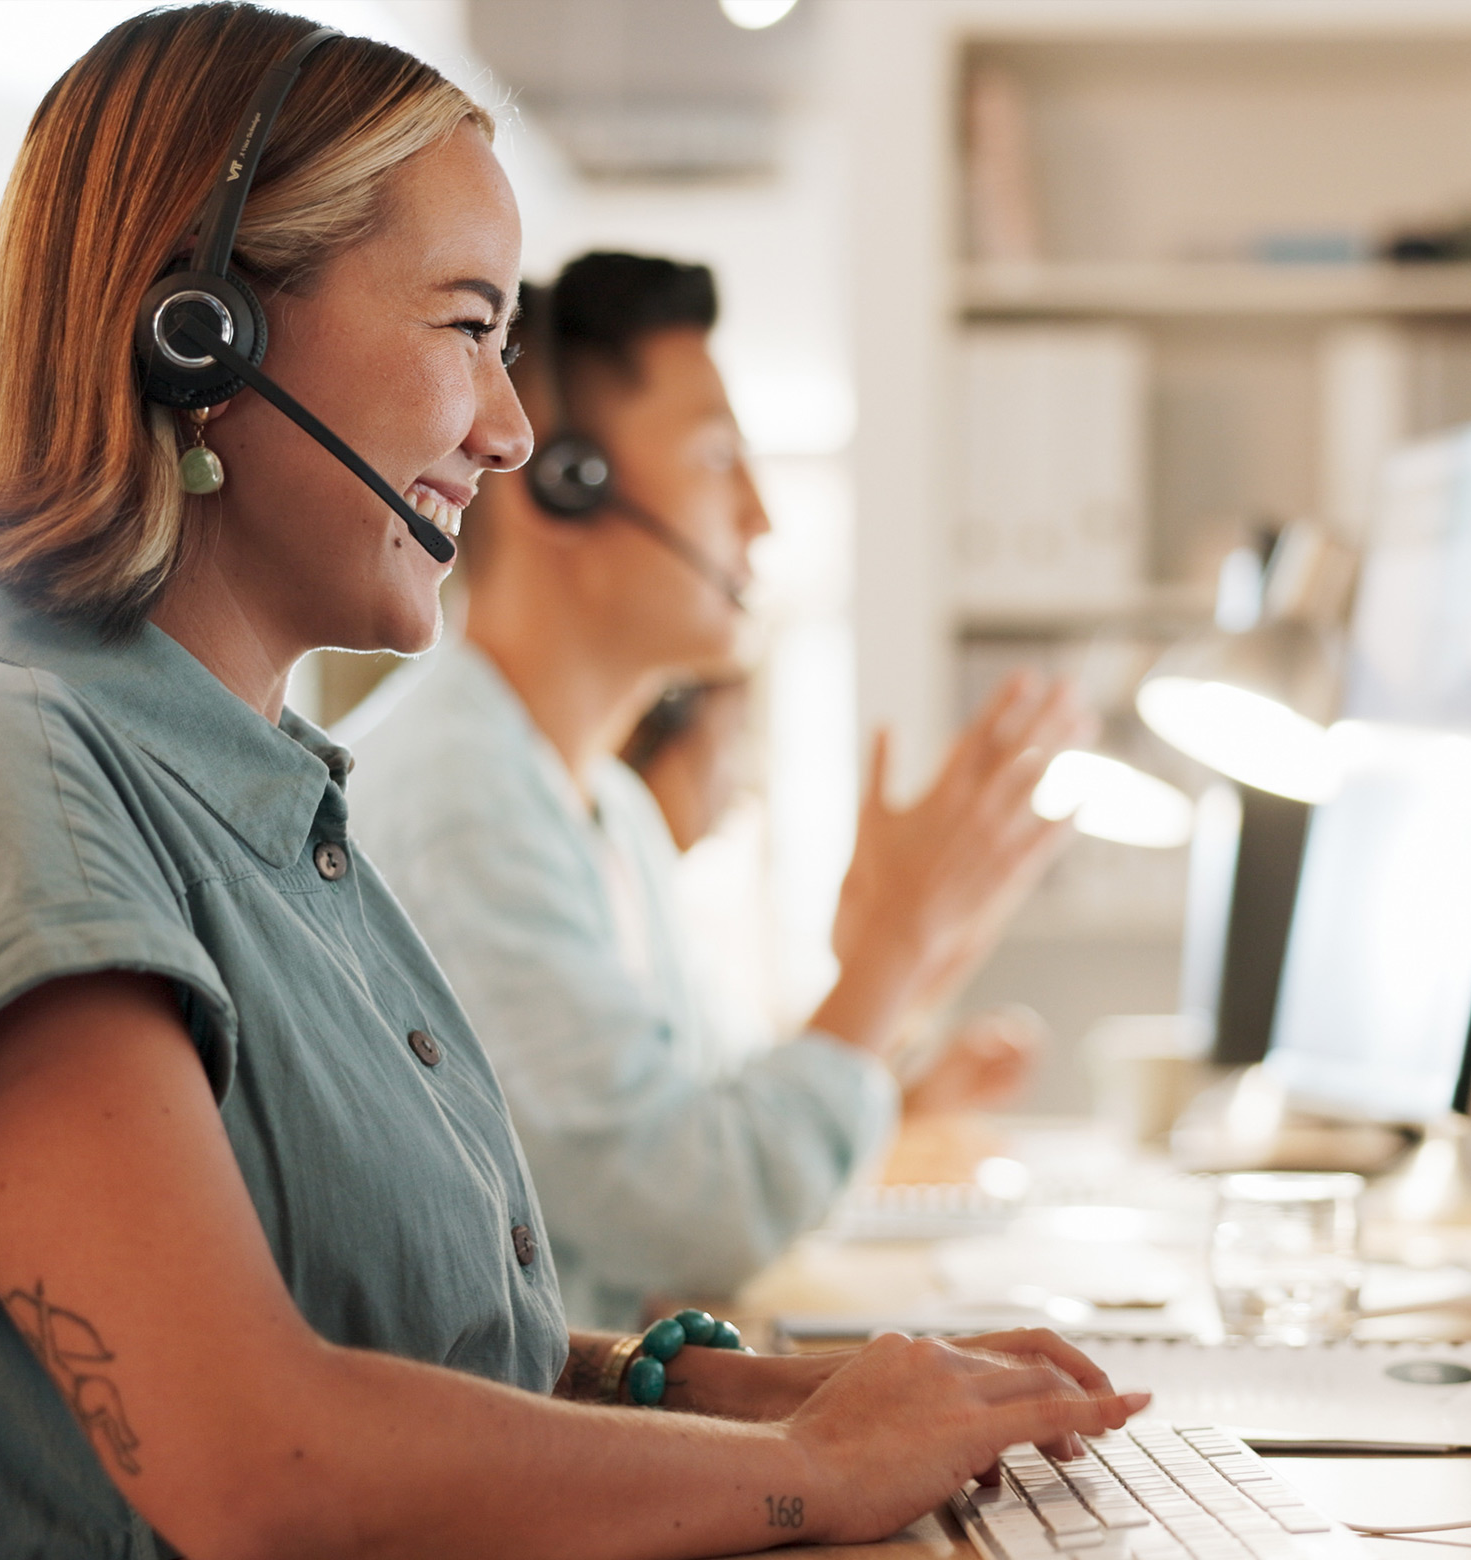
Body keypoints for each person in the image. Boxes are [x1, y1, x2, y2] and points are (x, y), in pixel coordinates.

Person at [0, 9, 1142, 1555]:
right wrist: (814, 1478)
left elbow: (409, 1353)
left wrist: (738, 1396)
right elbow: (255, 1460)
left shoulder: (264, 807)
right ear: (202, 332)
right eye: (465, 329)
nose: (508, 432)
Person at [351, 252, 1087, 1328]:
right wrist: (888, 956)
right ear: (566, 481)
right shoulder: (463, 803)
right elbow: (696, 1208)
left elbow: (707, 1118)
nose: (760, 516)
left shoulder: (602, 805)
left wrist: (904, 982)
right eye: (716, 460)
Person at [620, 673, 1042, 1118]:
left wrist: (913, 1093)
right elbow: (745, 1149)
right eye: (730, 743)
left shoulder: (662, 921)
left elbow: (758, 1121)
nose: (737, 785)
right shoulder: (619, 917)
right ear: (660, 743)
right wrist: (894, 943)